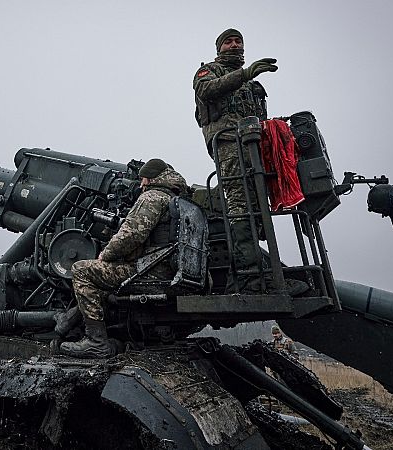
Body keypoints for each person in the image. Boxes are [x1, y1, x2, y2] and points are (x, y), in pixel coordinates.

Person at [193, 29, 306, 295]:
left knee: (256, 211)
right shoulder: (208, 72)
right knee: (240, 209)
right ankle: (247, 279)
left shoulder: (252, 86)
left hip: (254, 149)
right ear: (219, 47)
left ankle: (263, 276)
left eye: (238, 41)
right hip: (229, 146)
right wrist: (246, 74)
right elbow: (208, 91)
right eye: (228, 42)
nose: (234, 45)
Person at [59, 159, 188, 358]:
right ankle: (69, 320)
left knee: (82, 270)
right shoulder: (179, 200)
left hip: (149, 273)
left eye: (143, 179)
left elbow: (131, 235)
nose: (142, 184)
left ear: (150, 178)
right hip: (167, 271)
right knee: (104, 279)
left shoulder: (153, 197)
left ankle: (96, 342)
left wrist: (106, 254)